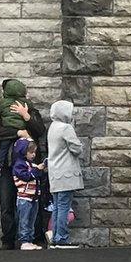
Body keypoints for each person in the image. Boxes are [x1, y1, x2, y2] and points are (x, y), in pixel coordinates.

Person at [0, 79, 47, 250]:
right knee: (7, 204)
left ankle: (36, 238)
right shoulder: (0, 112)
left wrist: (26, 116)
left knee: (32, 200)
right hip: (7, 165)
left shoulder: (30, 108)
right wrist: (18, 132)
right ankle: (8, 241)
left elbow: (40, 130)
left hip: (29, 165)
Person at [47, 100, 84, 249]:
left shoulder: (52, 127)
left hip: (55, 172)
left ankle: (56, 236)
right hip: (66, 173)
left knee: (57, 206)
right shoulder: (66, 128)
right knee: (63, 206)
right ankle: (62, 238)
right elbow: (76, 148)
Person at [12, 138, 47, 250]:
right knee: (24, 220)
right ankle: (24, 241)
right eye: (31, 152)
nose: (33, 155)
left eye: (34, 152)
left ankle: (30, 240)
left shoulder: (31, 164)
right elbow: (26, 176)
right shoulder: (19, 165)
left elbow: (37, 174)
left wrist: (42, 169)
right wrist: (37, 170)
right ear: (23, 151)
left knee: (31, 221)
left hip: (33, 197)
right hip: (24, 198)